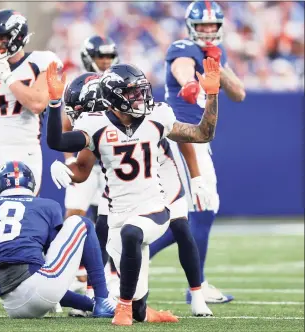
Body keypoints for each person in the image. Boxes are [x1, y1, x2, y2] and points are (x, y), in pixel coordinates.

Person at [46, 58, 221, 325]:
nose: (140, 97)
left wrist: (211, 95)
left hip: (153, 208)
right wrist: (55, 103)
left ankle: (123, 309)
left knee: (133, 233)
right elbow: (60, 144)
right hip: (118, 214)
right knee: (140, 305)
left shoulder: (157, 116)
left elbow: (202, 133)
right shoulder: (96, 125)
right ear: (115, 98)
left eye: (141, 90)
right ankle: (141, 310)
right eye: (132, 93)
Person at [0, 9, 62, 308]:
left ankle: (45, 279)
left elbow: (38, 103)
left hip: (25, 148)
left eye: (3, 38)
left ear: (18, 36)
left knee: (31, 221)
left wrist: (11, 79)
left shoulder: (41, 61)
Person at [154, 0, 246, 304]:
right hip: (183, 136)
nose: (207, 31)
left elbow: (239, 94)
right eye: (202, 26)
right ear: (192, 27)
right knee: (201, 208)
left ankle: (125, 260)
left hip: (195, 138)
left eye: (212, 26)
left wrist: (219, 66)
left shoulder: (211, 54)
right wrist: (192, 85)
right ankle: (196, 282)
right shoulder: (184, 47)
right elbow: (183, 71)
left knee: (195, 212)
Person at [0, 161, 117, 319]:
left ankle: (95, 304)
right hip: (41, 287)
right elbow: (48, 280)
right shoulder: (47, 206)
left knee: (40, 277)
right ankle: (102, 298)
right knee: (84, 224)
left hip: (13, 307)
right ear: (32, 186)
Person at [62, 35, 120, 306]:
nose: (105, 62)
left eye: (109, 57)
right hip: (86, 158)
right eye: (101, 57)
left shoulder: (116, 83)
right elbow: (65, 124)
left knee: (107, 222)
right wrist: (68, 158)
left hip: (110, 162)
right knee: (74, 215)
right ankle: (68, 270)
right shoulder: (79, 82)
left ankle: (101, 277)